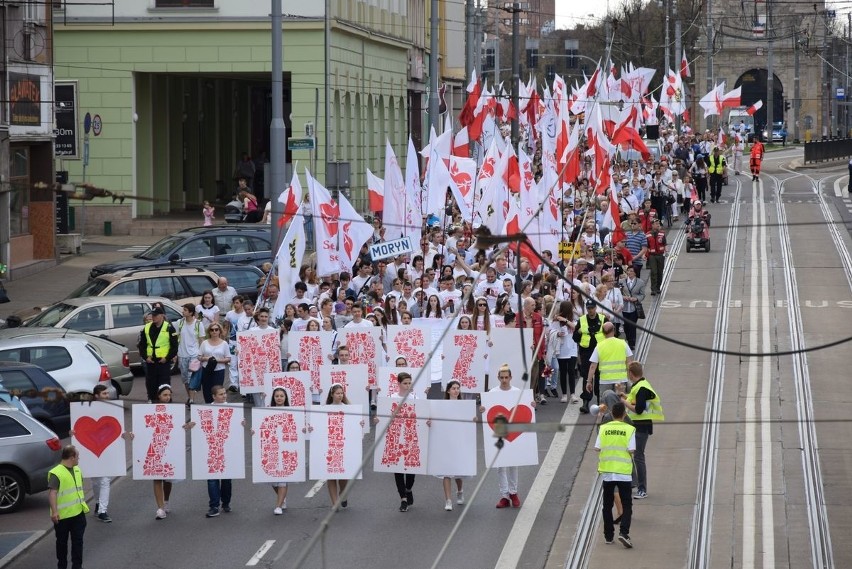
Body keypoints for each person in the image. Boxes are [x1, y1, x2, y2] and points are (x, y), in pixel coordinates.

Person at [483, 365, 535, 508]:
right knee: (501, 465)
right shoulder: (492, 392)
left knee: (513, 463)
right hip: (499, 432)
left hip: (513, 431)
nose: (504, 380)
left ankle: (513, 492)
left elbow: (525, 408)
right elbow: (487, 410)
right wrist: (483, 409)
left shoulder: (517, 392)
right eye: (502, 377)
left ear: (511, 378)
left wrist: (531, 405)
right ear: (498, 378)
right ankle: (504, 495)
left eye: (507, 377)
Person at [68, 385, 112, 523]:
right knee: (96, 480)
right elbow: (78, 426)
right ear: (97, 395)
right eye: (104, 393)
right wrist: (72, 433)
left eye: (107, 393)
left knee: (105, 480)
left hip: (105, 449)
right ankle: (99, 504)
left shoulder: (112, 408)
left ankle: (102, 511)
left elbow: (115, 427)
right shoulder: (84, 409)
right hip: (90, 449)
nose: (107, 396)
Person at [594, 401, 635, 548]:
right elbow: (632, 450)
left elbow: (597, 448)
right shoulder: (630, 429)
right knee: (627, 504)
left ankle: (608, 535)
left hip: (607, 472)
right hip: (623, 473)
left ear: (611, 414)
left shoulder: (604, 428)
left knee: (607, 504)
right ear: (624, 414)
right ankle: (623, 533)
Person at [622, 361, 665, 499]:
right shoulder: (640, 386)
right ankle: (634, 483)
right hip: (636, 427)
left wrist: (623, 402)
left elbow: (638, 409)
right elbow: (634, 401)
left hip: (640, 427)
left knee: (638, 457)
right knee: (633, 456)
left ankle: (642, 489)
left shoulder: (641, 388)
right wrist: (623, 396)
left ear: (631, 373)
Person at [49, 445, 88, 569]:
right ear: (72, 457)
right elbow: (52, 493)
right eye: (77, 457)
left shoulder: (77, 470)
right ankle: (62, 566)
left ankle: (77, 566)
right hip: (62, 516)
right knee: (61, 544)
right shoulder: (56, 473)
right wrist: (54, 512)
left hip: (78, 514)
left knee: (78, 543)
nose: (79, 459)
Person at [204, 385, 233, 517]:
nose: (224, 396)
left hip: (227, 449)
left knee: (226, 480)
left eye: (224, 393)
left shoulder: (233, 409)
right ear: (213, 396)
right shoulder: (206, 410)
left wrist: (241, 423)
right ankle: (214, 506)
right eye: (220, 394)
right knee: (212, 479)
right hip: (211, 449)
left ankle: (226, 502)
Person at [138, 307, 178, 403]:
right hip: (151, 362)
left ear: (162, 316)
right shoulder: (147, 328)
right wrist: (145, 357)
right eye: (152, 315)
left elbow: (175, 346)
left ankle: (166, 402)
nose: (153, 317)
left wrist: (167, 358)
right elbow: (141, 345)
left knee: (164, 384)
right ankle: (152, 400)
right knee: (151, 383)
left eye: (155, 315)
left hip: (163, 362)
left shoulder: (169, 328)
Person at [586, 322, 633, 403]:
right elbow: (630, 363)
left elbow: (593, 367)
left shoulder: (599, 346)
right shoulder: (623, 343)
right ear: (614, 331)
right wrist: (631, 379)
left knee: (605, 406)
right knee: (621, 406)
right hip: (620, 380)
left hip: (605, 381)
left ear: (603, 333)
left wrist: (589, 382)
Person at [573, 300, 607, 414]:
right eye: (588, 308)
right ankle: (586, 402)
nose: (590, 310)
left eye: (592, 308)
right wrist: (578, 332)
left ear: (595, 308)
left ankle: (599, 401)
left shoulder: (603, 319)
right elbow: (575, 337)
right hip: (586, 353)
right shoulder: (582, 320)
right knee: (587, 377)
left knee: (599, 376)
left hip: (601, 352)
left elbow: (611, 334)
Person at [439, 380, 466, 511]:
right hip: (445, 442)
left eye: (458, 388)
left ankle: (460, 491)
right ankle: (448, 500)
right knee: (446, 472)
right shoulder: (441, 406)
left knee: (458, 472)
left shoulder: (464, 406)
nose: (456, 390)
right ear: (448, 390)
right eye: (453, 388)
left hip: (459, 442)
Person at [176, 303, 205, 405]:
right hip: (182, 354)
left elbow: (201, 340)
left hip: (194, 355)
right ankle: (189, 397)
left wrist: (201, 355)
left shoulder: (198, 324)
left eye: (185, 310)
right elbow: (176, 338)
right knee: (185, 379)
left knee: (191, 377)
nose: (183, 311)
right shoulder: (179, 323)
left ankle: (192, 400)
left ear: (191, 312)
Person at [552, 300, 579, 403]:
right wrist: (558, 334)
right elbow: (551, 331)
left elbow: (576, 328)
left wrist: (566, 320)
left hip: (572, 349)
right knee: (563, 372)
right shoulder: (556, 321)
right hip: (562, 349)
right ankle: (564, 394)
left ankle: (572, 394)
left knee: (571, 371)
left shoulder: (573, 319)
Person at [198, 322, 231, 404]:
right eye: (212, 330)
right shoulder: (204, 343)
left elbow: (228, 358)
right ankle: (208, 407)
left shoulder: (224, 344)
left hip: (219, 371)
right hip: (206, 370)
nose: (214, 331)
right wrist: (206, 358)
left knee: (218, 391)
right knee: (206, 391)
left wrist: (216, 360)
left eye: (216, 329)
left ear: (220, 331)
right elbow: (199, 356)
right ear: (209, 332)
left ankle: (218, 407)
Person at [620, 266, 646, 350]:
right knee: (626, 325)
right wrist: (623, 297)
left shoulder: (640, 282)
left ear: (635, 273)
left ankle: (632, 343)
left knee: (632, 325)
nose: (629, 273)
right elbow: (618, 293)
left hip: (634, 308)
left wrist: (636, 298)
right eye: (628, 271)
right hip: (624, 307)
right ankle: (628, 338)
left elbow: (642, 294)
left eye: (631, 271)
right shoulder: (621, 281)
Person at [645, 219, 666, 296]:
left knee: (660, 272)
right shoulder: (647, 234)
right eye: (656, 223)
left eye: (658, 223)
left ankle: (658, 287)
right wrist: (646, 255)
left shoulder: (662, 234)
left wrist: (666, 252)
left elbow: (664, 244)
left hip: (660, 255)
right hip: (652, 255)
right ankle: (653, 289)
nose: (657, 225)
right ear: (652, 225)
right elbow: (646, 246)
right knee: (654, 272)